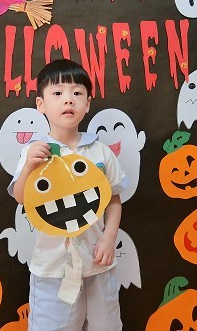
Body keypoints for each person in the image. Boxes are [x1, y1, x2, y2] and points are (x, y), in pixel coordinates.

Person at [8, 59, 129, 331]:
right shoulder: (35, 152)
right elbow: (21, 198)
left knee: (106, 326)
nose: (68, 100)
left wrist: (109, 238)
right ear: (41, 104)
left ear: (87, 104)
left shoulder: (99, 151)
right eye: (58, 92)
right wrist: (28, 168)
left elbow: (113, 199)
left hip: (98, 263)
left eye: (77, 93)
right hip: (53, 268)